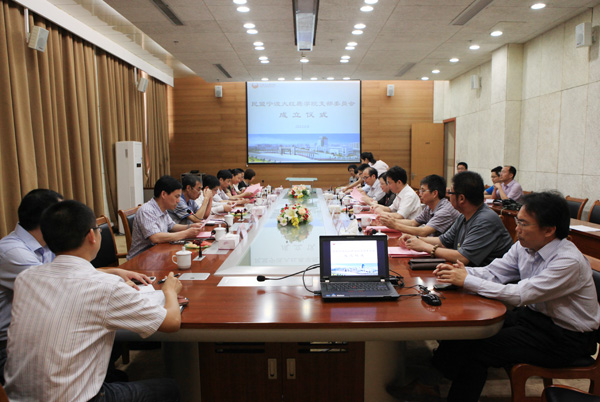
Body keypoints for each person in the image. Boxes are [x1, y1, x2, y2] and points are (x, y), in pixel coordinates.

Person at [4, 200, 182, 402]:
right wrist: (169, 291)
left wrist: (112, 273)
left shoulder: (26, 278)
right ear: (91, 235)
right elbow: (171, 322)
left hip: (16, 398)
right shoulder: (106, 286)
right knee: (170, 388)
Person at [432, 191, 600, 402]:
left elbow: (520, 294)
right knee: (465, 326)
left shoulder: (568, 261)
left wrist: (466, 280)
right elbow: (495, 272)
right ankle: (434, 382)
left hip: (566, 337)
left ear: (549, 230)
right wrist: (460, 272)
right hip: (535, 319)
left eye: (523, 223)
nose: (516, 228)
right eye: (517, 221)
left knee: (478, 349)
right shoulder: (525, 246)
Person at [401, 171, 513, 266]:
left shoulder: (485, 220)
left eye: (450, 193)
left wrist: (425, 247)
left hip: (488, 279)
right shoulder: (464, 215)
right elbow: (443, 241)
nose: (448, 196)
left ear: (461, 198)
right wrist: (416, 239)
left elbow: (463, 257)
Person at [127, 175, 204, 259]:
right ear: (163, 194)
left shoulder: (163, 208)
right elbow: (155, 237)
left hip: (159, 253)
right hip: (142, 258)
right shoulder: (146, 210)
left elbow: (171, 226)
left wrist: (190, 226)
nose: (178, 201)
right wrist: (186, 233)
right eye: (176, 196)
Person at [379, 174, 460, 236]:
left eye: (423, 191)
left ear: (434, 193)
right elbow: (413, 223)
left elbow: (423, 232)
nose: (420, 194)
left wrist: (395, 225)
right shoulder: (429, 207)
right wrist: (391, 221)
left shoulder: (445, 210)